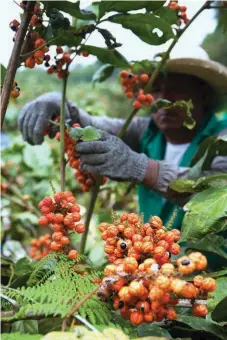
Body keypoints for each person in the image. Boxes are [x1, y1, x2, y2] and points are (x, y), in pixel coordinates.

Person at [18, 57, 227, 228]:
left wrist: (139, 167)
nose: (164, 100)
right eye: (155, 90)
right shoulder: (148, 132)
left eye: (178, 90)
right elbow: (89, 126)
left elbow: (214, 196)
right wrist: (57, 103)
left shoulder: (222, 138)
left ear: (204, 96)